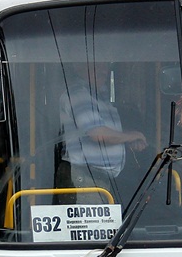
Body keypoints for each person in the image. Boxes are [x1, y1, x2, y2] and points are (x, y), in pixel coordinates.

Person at [56, 62, 147, 203]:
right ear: (78, 67)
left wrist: (126, 141)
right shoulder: (78, 95)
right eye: (96, 66)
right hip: (86, 178)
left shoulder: (99, 97)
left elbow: (106, 132)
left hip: (97, 178)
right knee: (94, 226)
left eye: (105, 66)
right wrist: (132, 136)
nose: (103, 71)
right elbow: (98, 134)